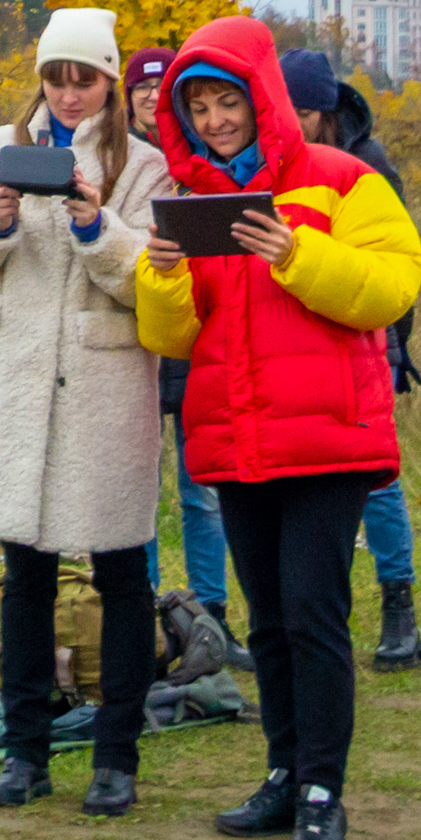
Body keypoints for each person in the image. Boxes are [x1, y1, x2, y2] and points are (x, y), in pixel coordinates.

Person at [136, 16, 421, 840]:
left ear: (262, 98)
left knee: (314, 616)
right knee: (266, 625)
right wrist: (158, 274)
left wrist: (298, 254)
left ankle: (323, 793)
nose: (216, 121)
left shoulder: (344, 180)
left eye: (229, 102)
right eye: (200, 109)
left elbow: (391, 289)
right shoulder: (195, 209)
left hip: (329, 441)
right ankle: (282, 775)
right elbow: (179, 338)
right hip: (237, 439)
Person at [0, 8, 173, 817]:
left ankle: (116, 758)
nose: (70, 94)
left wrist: (94, 223)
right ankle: (23, 753)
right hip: (13, 385)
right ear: (39, 78)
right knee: (24, 575)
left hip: (105, 389)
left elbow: (152, 280)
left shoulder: (143, 167)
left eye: (86, 78)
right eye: (57, 76)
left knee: (122, 575)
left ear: (109, 81)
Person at [281, 49, 421, 674]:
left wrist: (396, 349)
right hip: (304, 345)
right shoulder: (282, 165)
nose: (290, 121)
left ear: (323, 112)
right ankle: (323, 614)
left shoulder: (367, 167)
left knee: (378, 481)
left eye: (301, 111)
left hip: (370, 342)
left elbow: (397, 265)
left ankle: (400, 606)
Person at [125, 47, 246, 666]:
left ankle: (212, 617)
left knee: (202, 492)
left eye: (159, 90)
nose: (150, 99)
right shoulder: (123, 165)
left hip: (202, 351)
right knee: (139, 492)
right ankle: (142, 618)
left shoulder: (206, 166)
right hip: (139, 351)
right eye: (140, 90)